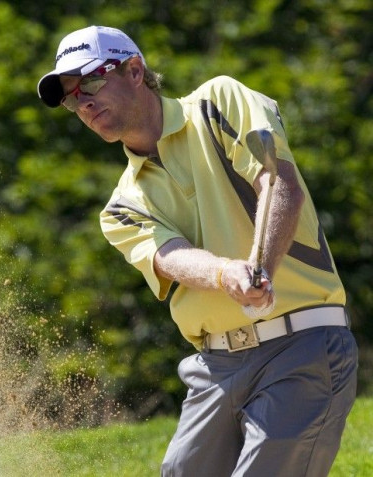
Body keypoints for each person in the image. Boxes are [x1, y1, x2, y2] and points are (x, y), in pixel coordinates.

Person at [38, 25, 358, 476]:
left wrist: (261, 268)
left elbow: (276, 180)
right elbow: (170, 256)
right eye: (71, 97)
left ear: (135, 70)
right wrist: (229, 274)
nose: (83, 102)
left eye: (90, 81)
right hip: (215, 366)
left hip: (301, 343)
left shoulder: (216, 103)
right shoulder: (119, 207)